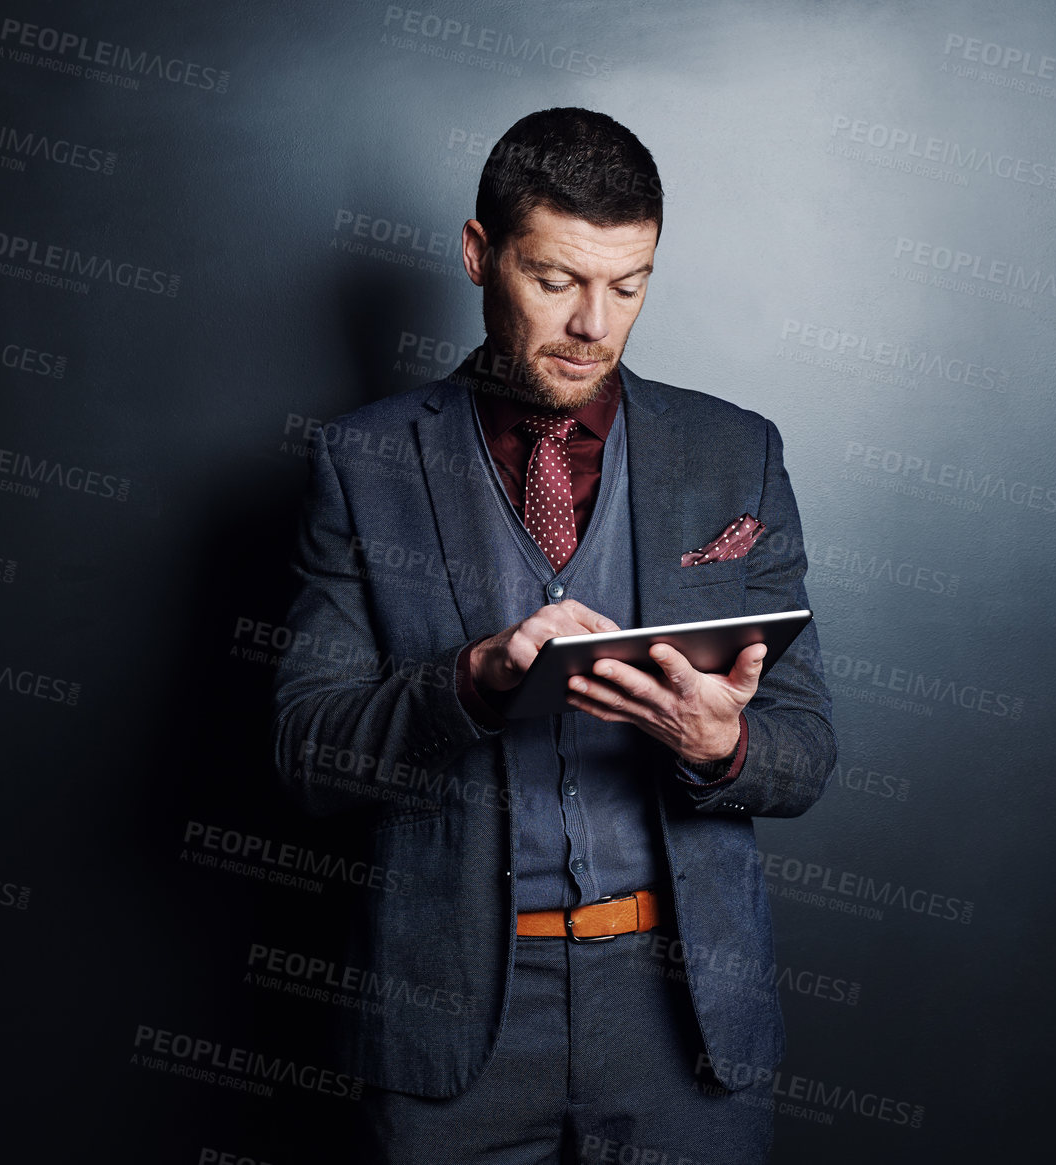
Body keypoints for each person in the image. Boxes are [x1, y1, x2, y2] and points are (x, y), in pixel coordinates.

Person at [270, 106, 836, 1164]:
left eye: (628, 287)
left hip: (682, 1021)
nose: (594, 325)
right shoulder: (363, 464)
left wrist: (722, 747)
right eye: (555, 280)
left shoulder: (734, 453)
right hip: (454, 1029)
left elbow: (806, 749)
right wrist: (470, 683)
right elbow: (305, 752)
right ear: (480, 255)